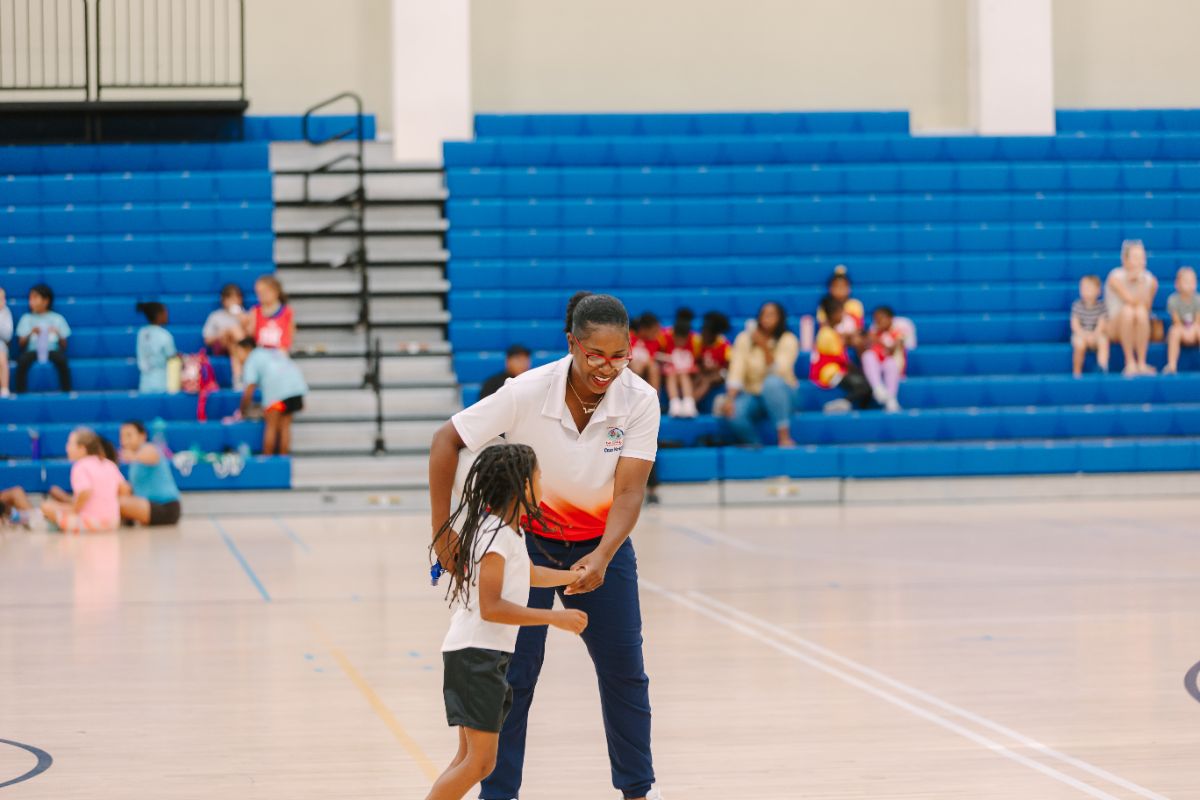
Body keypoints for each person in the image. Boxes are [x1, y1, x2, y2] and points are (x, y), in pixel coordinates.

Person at [428, 291, 662, 800]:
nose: (606, 367)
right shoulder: (526, 391)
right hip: (526, 544)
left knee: (625, 674)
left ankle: (639, 791)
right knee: (513, 677)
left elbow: (629, 492)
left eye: (619, 356)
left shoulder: (640, 399)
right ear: (571, 343)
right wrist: (442, 532)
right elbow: (446, 440)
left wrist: (604, 555)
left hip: (601, 545)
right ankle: (499, 794)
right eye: (594, 355)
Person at [426, 443, 587, 800]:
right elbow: (492, 607)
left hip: (480, 653)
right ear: (523, 485)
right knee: (480, 763)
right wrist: (554, 618)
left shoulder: (508, 531)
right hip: (476, 655)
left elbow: (529, 574)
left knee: (469, 759)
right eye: (539, 476)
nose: (543, 483)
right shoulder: (496, 535)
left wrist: (574, 576)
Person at [724, 301, 801, 447]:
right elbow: (736, 370)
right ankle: (755, 445)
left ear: (780, 318)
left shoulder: (788, 339)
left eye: (772, 315)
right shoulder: (744, 338)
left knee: (771, 383)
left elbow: (779, 371)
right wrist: (730, 399)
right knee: (734, 412)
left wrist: (763, 346)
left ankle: (784, 437)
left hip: (784, 395)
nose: (767, 319)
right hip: (754, 395)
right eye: (764, 315)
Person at [233, 338, 309, 455]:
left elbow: (249, 389)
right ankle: (283, 460)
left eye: (239, 353)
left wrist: (242, 410)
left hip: (278, 393)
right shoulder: (268, 352)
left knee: (271, 425)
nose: (238, 358)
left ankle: (267, 460)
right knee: (285, 426)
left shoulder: (252, 358)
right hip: (295, 388)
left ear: (247, 349)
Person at [41, 428, 124, 533]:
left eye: (70, 444)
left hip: (90, 523)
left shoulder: (80, 466)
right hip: (113, 522)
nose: (66, 448)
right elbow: (124, 488)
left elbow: (85, 491)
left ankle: (62, 525)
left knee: (46, 507)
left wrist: (74, 509)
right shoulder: (109, 464)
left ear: (82, 448)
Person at [1105, 240, 1158, 376]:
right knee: (1128, 310)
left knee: (1140, 312)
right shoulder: (1114, 276)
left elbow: (1146, 307)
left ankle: (1141, 362)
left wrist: (1141, 281)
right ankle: (1129, 362)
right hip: (1115, 327)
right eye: (1135, 257)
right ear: (1125, 259)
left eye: (1142, 257)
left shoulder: (1150, 280)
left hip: (1138, 326)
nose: (1139, 262)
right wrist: (1138, 281)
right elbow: (1130, 299)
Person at [811, 297, 872, 413]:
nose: (842, 316)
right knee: (864, 387)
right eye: (840, 313)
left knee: (867, 385)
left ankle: (860, 410)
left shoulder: (832, 332)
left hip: (837, 369)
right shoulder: (826, 334)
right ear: (832, 315)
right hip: (829, 373)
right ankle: (841, 403)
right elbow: (839, 358)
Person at [118, 421, 182, 527]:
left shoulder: (149, 448)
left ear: (142, 436)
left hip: (166, 507)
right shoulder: (135, 462)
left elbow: (152, 457)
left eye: (129, 435)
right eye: (122, 436)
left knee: (118, 503)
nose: (125, 440)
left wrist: (133, 456)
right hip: (148, 505)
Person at [14, 283, 71, 394]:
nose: (31, 301)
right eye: (30, 298)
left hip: (52, 350)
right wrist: (31, 333)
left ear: (46, 301)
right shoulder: (26, 318)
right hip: (32, 350)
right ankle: (20, 392)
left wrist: (58, 333)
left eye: (35, 298)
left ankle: (67, 391)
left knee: (62, 361)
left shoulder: (57, 318)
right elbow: (21, 344)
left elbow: (64, 345)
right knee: (22, 361)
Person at [863, 305, 913, 411]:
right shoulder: (874, 333)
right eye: (876, 320)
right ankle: (877, 388)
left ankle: (891, 398)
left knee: (890, 363)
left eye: (881, 319)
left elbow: (892, 349)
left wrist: (879, 341)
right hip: (878, 367)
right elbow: (866, 346)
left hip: (894, 366)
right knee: (867, 356)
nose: (878, 322)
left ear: (890, 319)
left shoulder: (898, 333)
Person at [203, 283, 249, 386]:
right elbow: (207, 340)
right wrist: (221, 334)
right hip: (221, 345)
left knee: (234, 345)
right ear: (223, 300)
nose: (234, 301)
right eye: (230, 298)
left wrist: (243, 320)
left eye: (237, 298)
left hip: (236, 346)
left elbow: (251, 335)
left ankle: (238, 379)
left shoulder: (244, 315)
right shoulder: (215, 316)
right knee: (233, 330)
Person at [661, 307, 700, 418]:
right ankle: (675, 405)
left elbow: (698, 362)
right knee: (672, 375)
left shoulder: (695, 340)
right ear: (674, 335)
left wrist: (692, 369)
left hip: (687, 375)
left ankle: (689, 404)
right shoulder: (665, 337)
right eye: (677, 339)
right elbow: (656, 355)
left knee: (683, 375)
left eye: (683, 339)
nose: (680, 342)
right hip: (670, 374)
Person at [816, 265, 866, 351]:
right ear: (830, 289)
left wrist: (849, 335)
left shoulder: (855, 304)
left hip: (851, 337)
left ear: (849, 288)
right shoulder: (825, 305)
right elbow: (824, 326)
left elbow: (859, 326)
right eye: (836, 287)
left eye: (843, 287)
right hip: (833, 337)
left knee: (860, 340)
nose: (840, 290)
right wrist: (838, 335)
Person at [1071, 275, 1110, 377]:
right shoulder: (1077, 305)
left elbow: (1102, 324)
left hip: (1096, 333)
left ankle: (1102, 367)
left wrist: (1094, 335)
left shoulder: (1102, 306)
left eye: (1089, 289)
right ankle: (1077, 372)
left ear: (1098, 291)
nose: (1086, 291)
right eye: (1083, 288)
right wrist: (1084, 335)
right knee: (1079, 343)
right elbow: (1075, 325)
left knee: (1103, 341)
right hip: (1081, 333)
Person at [135, 302, 178, 393]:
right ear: (159, 315)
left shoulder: (141, 333)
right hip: (162, 384)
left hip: (144, 385)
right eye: (165, 313)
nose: (167, 315)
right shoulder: (165, 335)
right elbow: (172, 358)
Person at [1164, 266, 1200, 375]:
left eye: (1192, 282)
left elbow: (1198, 321)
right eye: (1186, 282)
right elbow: (1176, 321)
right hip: (1180, 329)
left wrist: (1192, 331)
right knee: (1174, 332)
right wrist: (1185, 332)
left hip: (1195, 329)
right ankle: (1172, 364)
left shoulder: (1198, 299)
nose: (1189, 285)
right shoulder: (1173, 300)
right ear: (1177, 284)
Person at [244, 275, 295, 352]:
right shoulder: (255, 311)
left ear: (276, 291)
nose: (262, 296)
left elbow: (290, 333)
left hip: (280, 350)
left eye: (265, 292)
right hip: (260, 350)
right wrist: (246, 323)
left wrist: (285, 348)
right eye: (259, 293)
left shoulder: (287, 311)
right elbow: (250, 333)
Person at [693, 310, 732, 409]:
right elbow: (696, 361)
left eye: (705, 333)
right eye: (702, 331)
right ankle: (686, 401)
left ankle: (691, 403)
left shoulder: (724, 346)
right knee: (698, 377)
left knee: (707, 380)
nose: (702, 335)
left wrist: (717, 370)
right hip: (703, 372)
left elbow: (729, 368)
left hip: (721, 374)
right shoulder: (698, 343)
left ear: (714, 334)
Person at [628, 311, 663, 393]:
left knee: (654, 367)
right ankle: (633, 396)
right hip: (631, 366)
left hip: (646, 366)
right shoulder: (629, 337)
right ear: (643, 329)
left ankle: (654, 398)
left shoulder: (654, 342)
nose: (657, 334)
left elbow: (652, 357)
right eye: (654, 331)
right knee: (637, 366)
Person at [0, 285, 12, 398]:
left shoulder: (5, 312)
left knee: (2, 359)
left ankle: (4, 388)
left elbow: (8, 335)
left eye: (3, 298)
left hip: (1, 344)